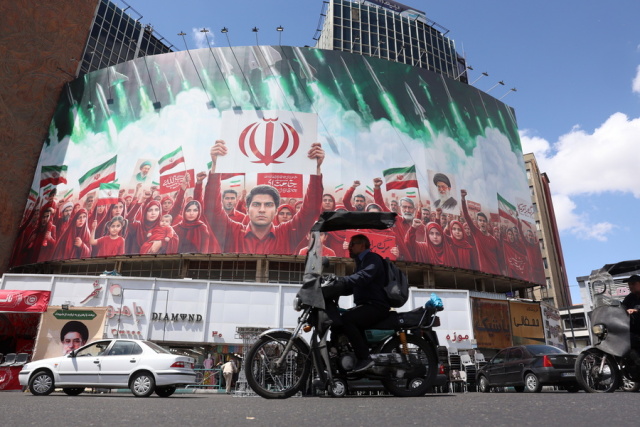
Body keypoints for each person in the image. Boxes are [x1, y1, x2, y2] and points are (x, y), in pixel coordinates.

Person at [204, 140, 324, 255]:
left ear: (276, 211)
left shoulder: (288, 233)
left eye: (268, 205)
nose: (262, 210)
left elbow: (309, 212)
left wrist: (315, 169)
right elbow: (212, 210)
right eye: (256, 204)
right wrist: (216, 166)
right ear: (247, 209)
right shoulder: (232, 232)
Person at [331, 234, 390, 373]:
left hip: (376, 306)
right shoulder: (361, 263)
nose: (349, 247)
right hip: (366, 305)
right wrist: (333, 289)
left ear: (362, 245)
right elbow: (353, 286)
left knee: (347, 320)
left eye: (352, 244)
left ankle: (364, 358)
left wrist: (341, 280)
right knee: (337, 322)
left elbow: (363, 277)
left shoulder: (372, 259)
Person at [460, 189, 503, 276]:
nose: (482, 223)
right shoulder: (476, 233)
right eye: (480, 220)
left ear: (487, 223)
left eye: (484, 221)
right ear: (477, 222)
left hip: (496, 273)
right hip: (483, 273)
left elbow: (500, 258)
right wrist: (463, 199)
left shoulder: (494, 240)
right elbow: (466, 216)